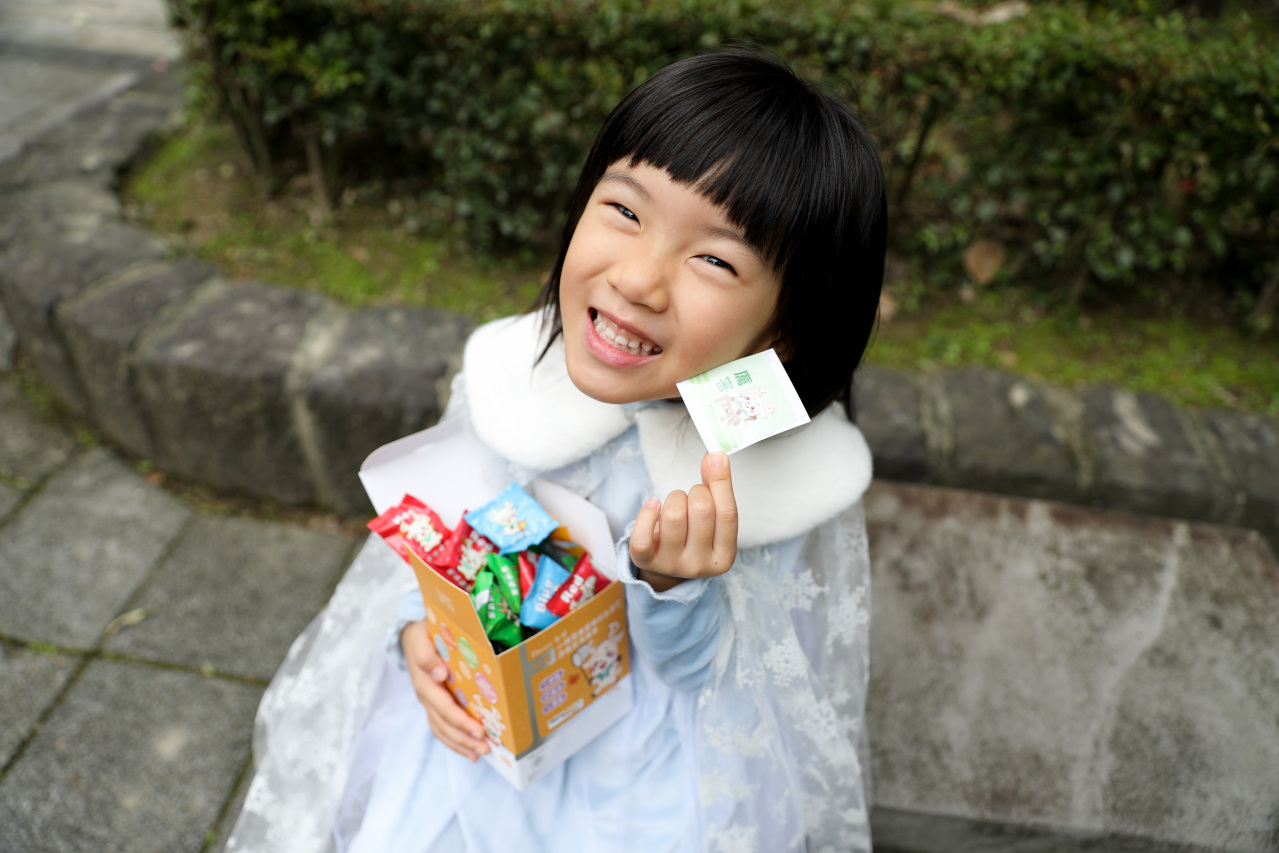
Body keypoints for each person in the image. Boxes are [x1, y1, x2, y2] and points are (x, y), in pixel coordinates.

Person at [225, 47, 887, 853]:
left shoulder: (759, 484)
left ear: (783, 331)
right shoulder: (514, 379)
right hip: (485, 735)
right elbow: (445, 537)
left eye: (713, 258)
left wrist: (671, 585)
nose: (640, 279)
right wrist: (420, 636)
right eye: (625, 210)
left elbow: (722, 682)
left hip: (642, 774)